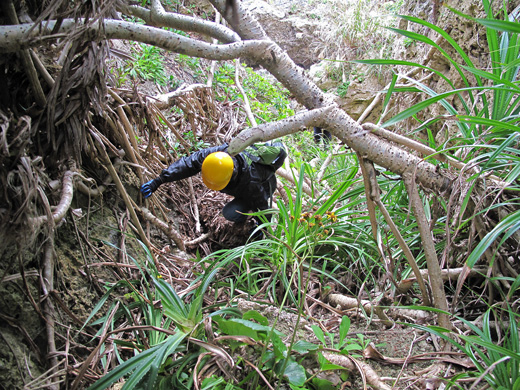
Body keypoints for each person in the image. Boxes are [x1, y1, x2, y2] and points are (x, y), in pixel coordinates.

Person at [140, 142, 287, 225]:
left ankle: (245, 220)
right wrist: (159, 180)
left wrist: (261, 228)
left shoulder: (251, 182)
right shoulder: (217, 155)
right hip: (243, 187)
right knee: (233, 211)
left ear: (231, 177)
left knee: (230, 213)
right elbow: (188, 164)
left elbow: (262, 205)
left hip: (265, 185)